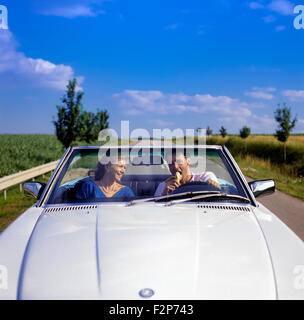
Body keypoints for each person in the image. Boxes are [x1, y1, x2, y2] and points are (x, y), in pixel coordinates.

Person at [154, 151, 221, 197]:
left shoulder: (205, 177)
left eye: (179, 162)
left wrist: (211, 185)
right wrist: (164, 195)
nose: (175, 167)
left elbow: (216, 193)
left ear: (188, 161)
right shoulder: (163, 186)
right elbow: (155, 209)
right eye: (171, 163)